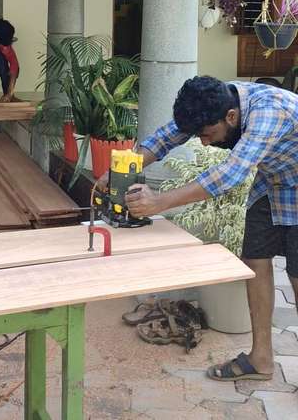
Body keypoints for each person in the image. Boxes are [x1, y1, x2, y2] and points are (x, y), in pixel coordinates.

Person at [125, 76, 298, 382]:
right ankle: (261, 359)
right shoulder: (215, 101)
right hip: (273, 181)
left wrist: (159, 202)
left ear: (231, 117)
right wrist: (119, 173)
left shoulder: (269, 112)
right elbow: (165, 139)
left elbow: (229, 175)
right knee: (255, 262)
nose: (204, 142)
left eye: (207, 135)